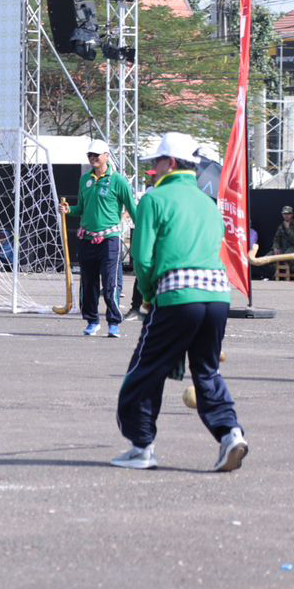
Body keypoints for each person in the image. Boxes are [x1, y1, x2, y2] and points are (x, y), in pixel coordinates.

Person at [112, 132, 247, 472]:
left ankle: (142, 446)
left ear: (170, 163)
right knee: (206, 370)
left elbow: (142, 260)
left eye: (156, 163)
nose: (152, 170)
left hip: (176, 295)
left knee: (145, 371)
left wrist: (149, 297)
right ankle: (230, 433)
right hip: (217, 296)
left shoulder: (154, 199)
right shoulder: (208, 202)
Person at [61, 138, 137, 338]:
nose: (93, 158)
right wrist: (69, 210)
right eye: (90, 155)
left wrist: (145, 232)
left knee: (110, 283)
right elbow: (81, 208)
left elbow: (132, 208)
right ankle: (92, 320)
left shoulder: (118, 181)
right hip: (87, 239)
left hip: (109, 239)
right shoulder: (85, 179)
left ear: (106, 156)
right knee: (88, 282)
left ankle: (113, 323)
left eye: (96, 155)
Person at [270, 205, 294, 280]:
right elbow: (276, 239)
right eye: (284, 214)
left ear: (292, 215)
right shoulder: (281, 226)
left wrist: (288, 228)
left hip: (293, 247)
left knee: (288, 256)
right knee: (268, 257)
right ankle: (273, 275)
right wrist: (276, 247)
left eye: (288, 214)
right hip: (282, 248)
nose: (286, 216)